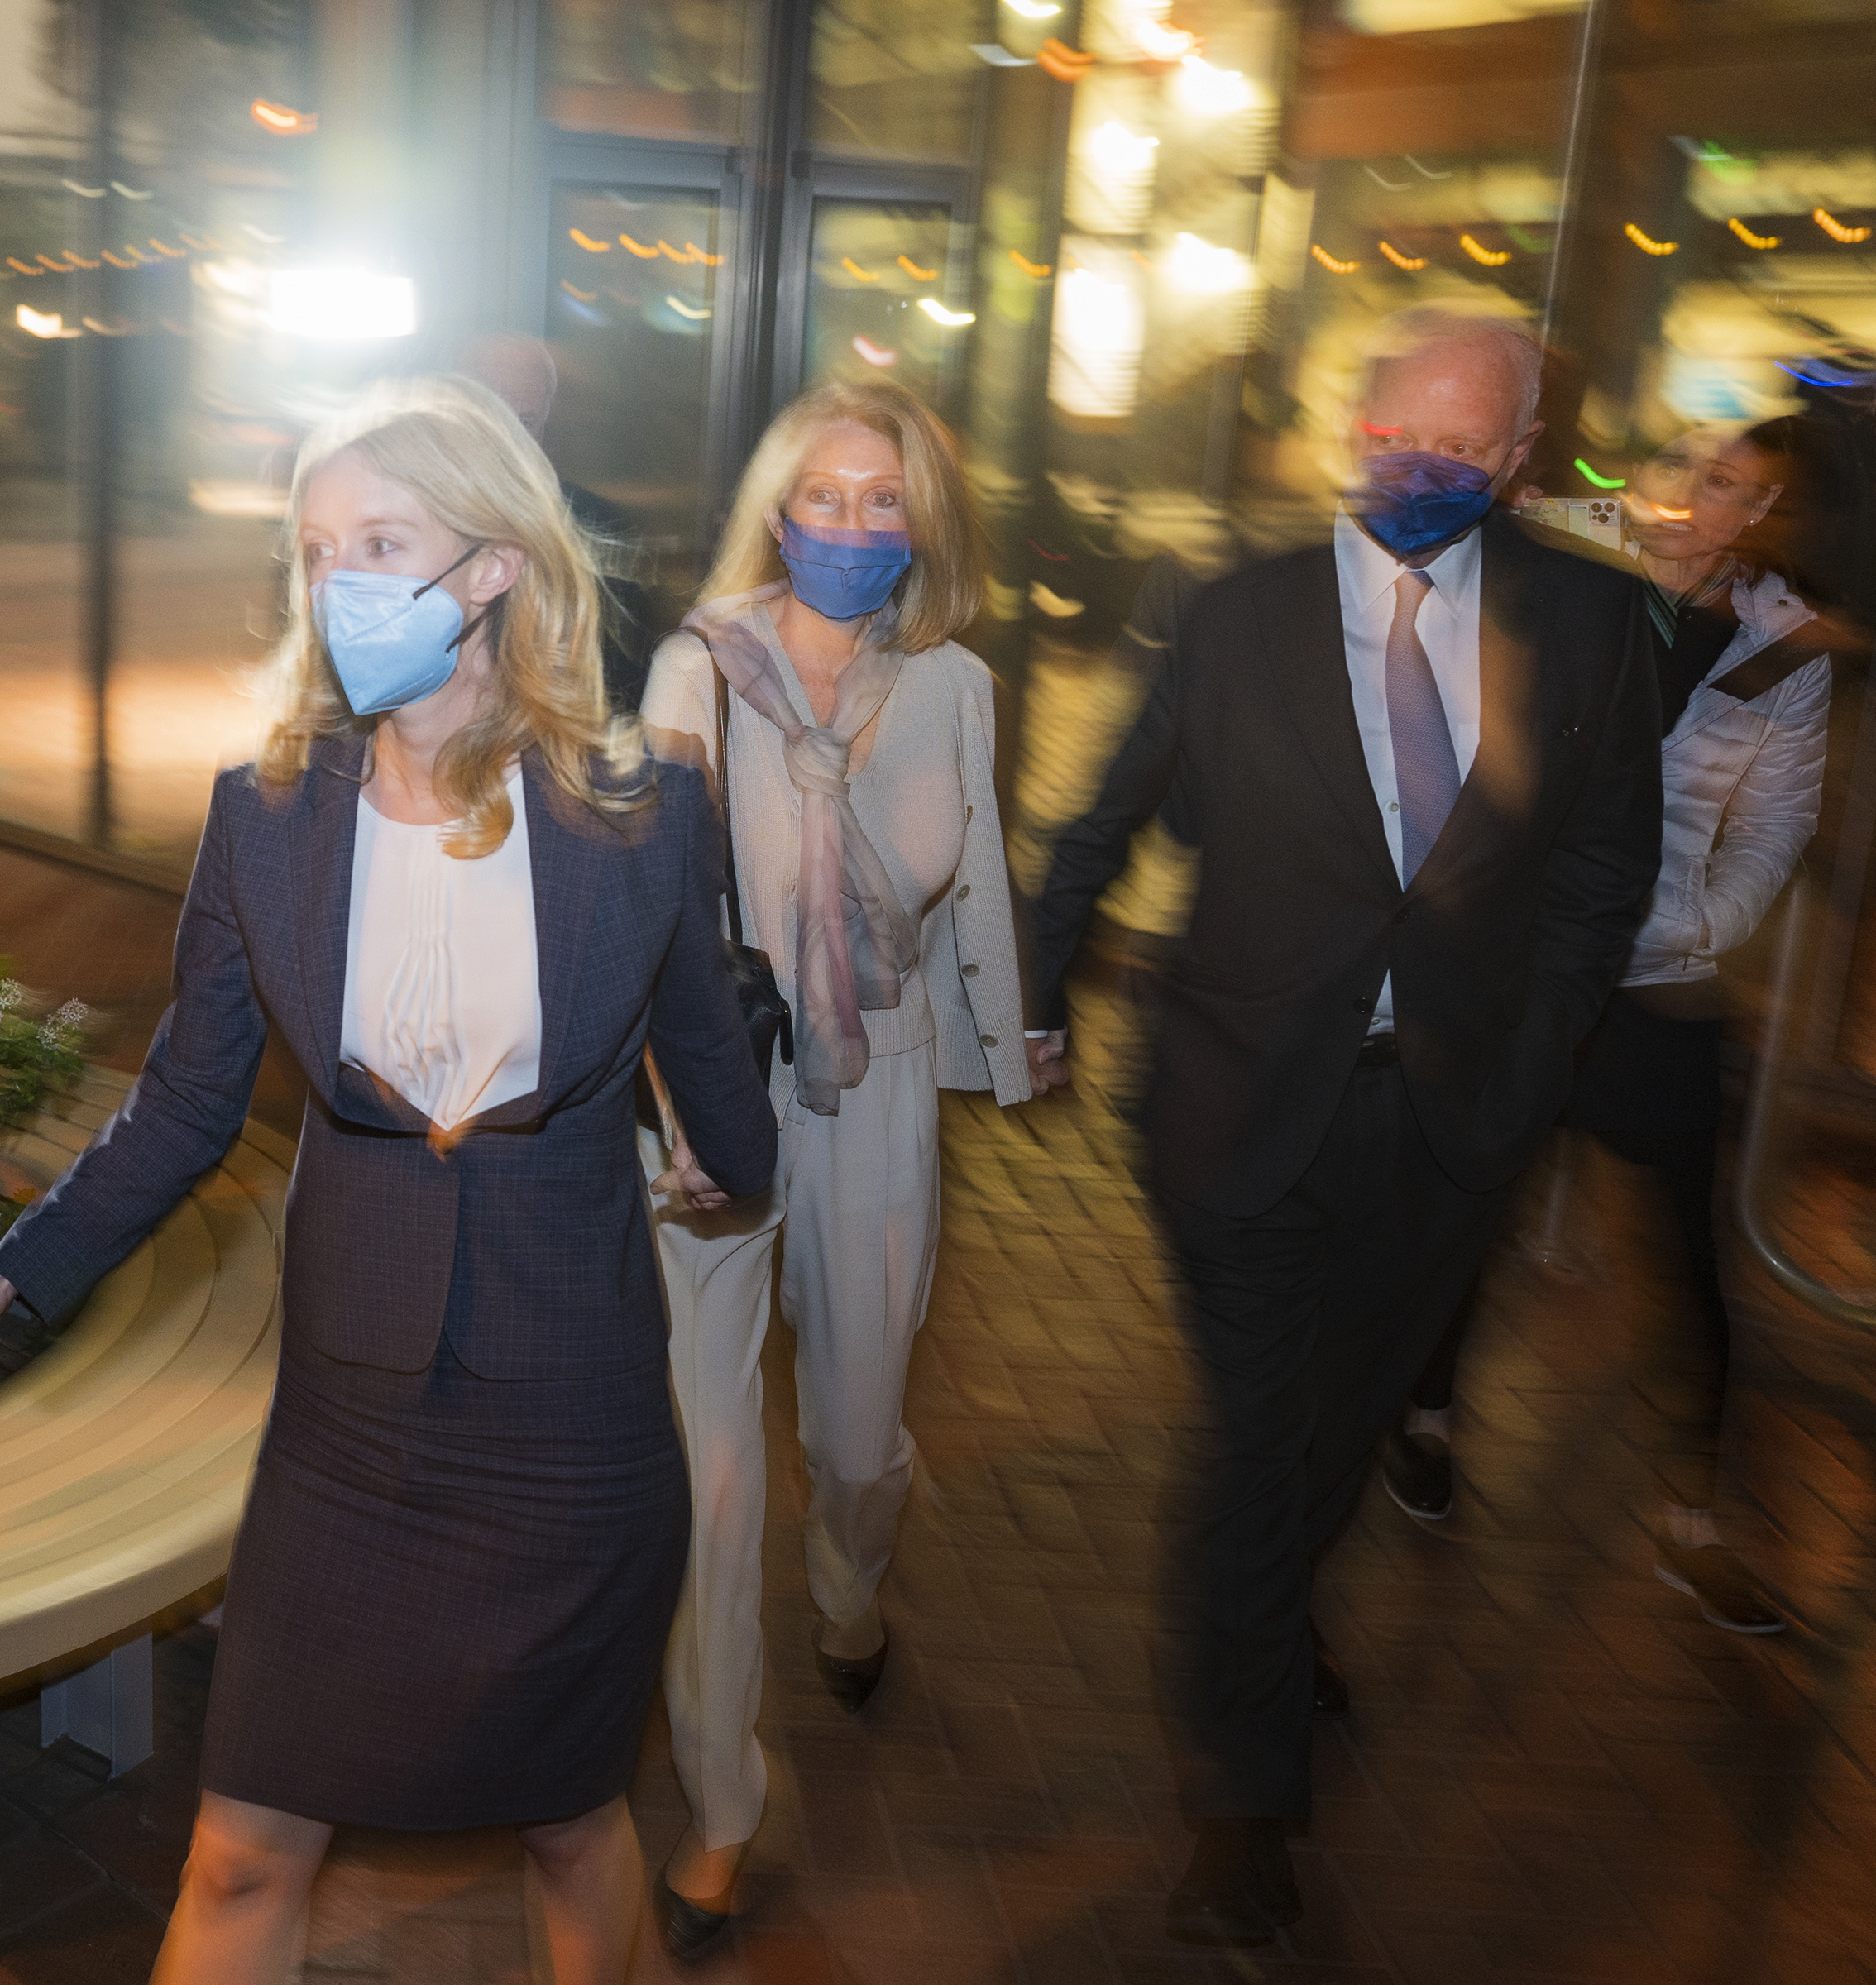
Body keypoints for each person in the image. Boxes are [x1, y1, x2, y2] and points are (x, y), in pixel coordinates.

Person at [0, 374, 778, 1985]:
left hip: (572, 1422)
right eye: (317, 548)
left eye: (384, 542)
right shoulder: (268, 821)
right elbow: (179, 1113)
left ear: (494, 565)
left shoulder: (637, 818)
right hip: (348, 1434)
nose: (342, 581)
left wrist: (718, 1155)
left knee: (570, 1827)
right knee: (244, 1849)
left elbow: (721, 1087)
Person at [1027, 304, 1660, 1947]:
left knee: (1336, 1429)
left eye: (1464, 444)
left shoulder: (1597, 623)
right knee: (1257, 1440)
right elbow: (1107, 813)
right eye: (1401, 435)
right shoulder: (1232, 612)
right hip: (1238, 1101)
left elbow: (1605, 868)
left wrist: (1539, 1058)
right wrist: (1029, 990)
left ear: (1520, 456)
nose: (1425, 466)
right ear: (1355, 426)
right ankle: (1243, 1807)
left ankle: (1269, 1616)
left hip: (1451, 1120)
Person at [633, 378, 1036, 1954]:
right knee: (712, 1477)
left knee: (858, 1441)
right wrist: (665, 1095)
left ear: (923, 521)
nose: (851, 525)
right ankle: (722, 1805)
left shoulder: (955, 687)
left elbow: (975, 880)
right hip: (715, 1091)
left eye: (884, 499)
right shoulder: (698, 666)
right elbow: (653, 893)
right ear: (778, 510)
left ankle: (855, 1590)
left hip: (877, 1091)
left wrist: (1004, 1047)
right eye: (824, 495)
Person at [1387, 421, 1840, 1633]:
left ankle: (1694, 1523)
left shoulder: (1781, 649)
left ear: (1760, 514)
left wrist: (1706, 925)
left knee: (1686, 1255)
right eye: (1679, 465)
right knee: (1473, 1204)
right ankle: (1424, 1420)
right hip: (1530, 959)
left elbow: (1777, 822)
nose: (1692, 495)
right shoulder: (1569, 556)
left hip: (1653, 981)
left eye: (1727, 484)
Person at [456, 331, 661, 714]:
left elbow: (617, 686)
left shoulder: (594, 526)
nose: (511, 440)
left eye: (526, 421)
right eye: (495, 417)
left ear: (545, 422)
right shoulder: (414, 518)